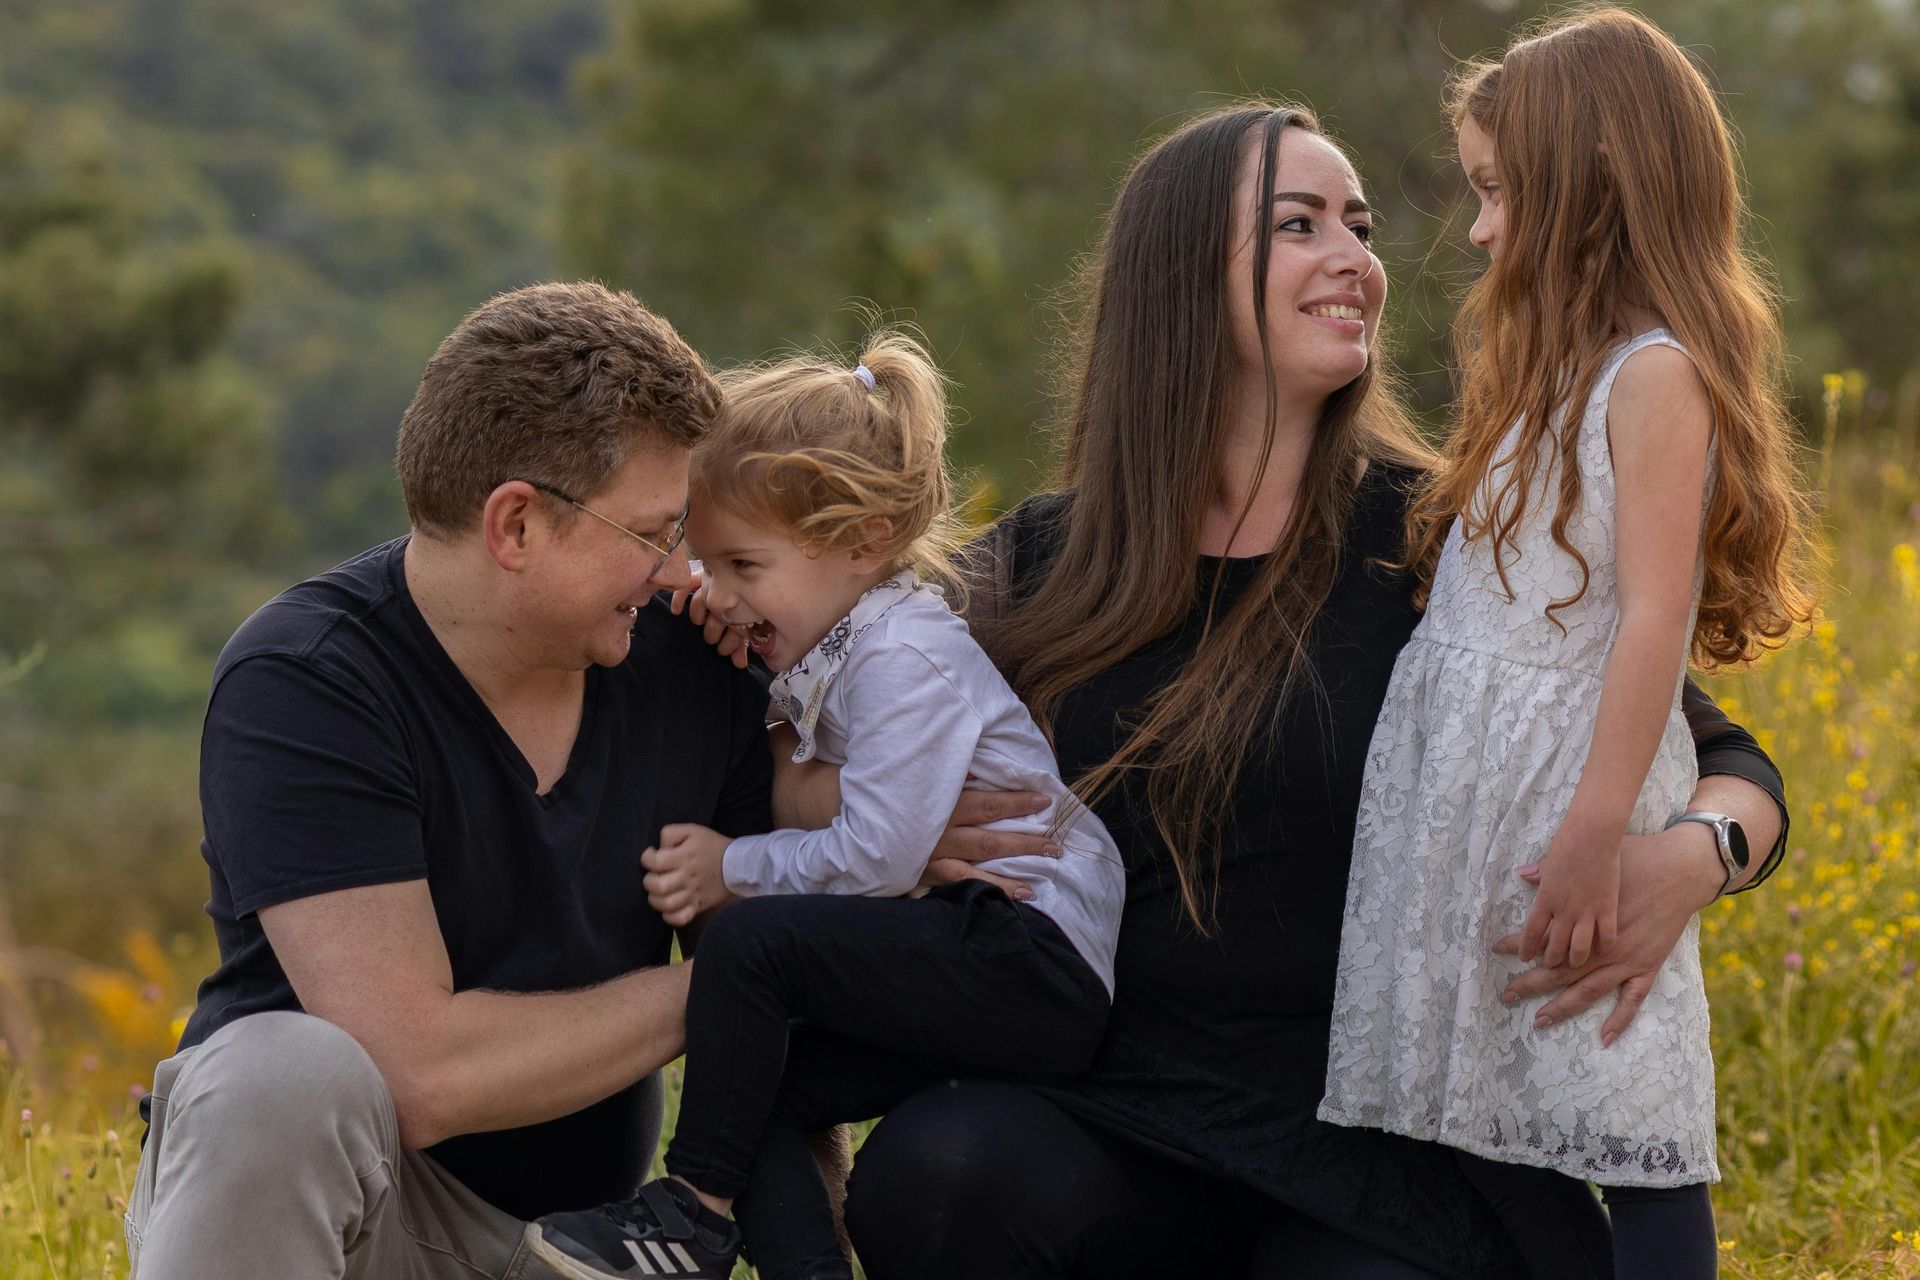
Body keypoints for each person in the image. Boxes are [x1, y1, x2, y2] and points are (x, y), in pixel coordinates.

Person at [829, 103, 1790, 1279]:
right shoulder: (1047, 559)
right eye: (1301, 225)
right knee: (936, 1175)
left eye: (1361, 227)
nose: (1357, 260)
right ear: (1181, 275)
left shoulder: (1450, 533)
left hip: (1376, 1145)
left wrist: (1693, 857)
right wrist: (909, 831)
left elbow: (1728, 761)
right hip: (1113, 1101)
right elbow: (818, 698)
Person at [122, 282, 775, 1279]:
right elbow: (415, 1071)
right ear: (516, 526)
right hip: (355, 1228)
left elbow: (787, 928)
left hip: (585, 1249)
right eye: (655, 533)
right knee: (281, 1076)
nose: (681, 570)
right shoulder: (307, 679)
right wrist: (742, 983)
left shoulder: (695, 665)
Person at [1319, 12, 1815, 1280]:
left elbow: (1651, 615)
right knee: (1492, 1108)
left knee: (1631, 1105)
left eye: (1498, 192)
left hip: (1564, 800)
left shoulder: (1654, 375)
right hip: (1471, 797)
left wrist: (1597, 830)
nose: (1480, 229)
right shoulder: (1543, 366)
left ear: (1590, 179)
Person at [525, 332, 1126, 1280]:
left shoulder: (903, 659)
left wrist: (731, 867)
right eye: (704, 561)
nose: (719, 594)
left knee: (746, 942)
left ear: (860, 544)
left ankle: (689, 1215)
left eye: (743, 566)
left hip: (1026, 954)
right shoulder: (841, 645)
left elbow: (878, 858)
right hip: (978, 952)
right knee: (750, 1084)